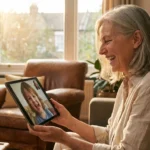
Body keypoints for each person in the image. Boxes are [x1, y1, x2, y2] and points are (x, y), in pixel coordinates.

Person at [27, 4, 150, 150]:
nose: (101, 50)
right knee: (65, 140)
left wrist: (64, 137)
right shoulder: (128, 82)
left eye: (108, 40)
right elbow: (109, 135)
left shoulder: (146, 87)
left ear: (136, 39)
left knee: (65, 140)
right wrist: (68, 121)